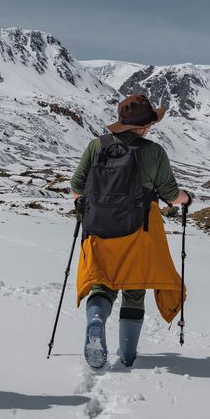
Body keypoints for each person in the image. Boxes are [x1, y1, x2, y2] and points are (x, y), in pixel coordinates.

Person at [71, 94, 191, 370]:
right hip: (138, 232)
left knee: (102, 284)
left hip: (98, 232)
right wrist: (187, 199)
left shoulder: (96, 145)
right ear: (145, 126)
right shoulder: (154, 152)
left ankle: (96, 320)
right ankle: (127, 356)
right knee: (134, 288)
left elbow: (77, 187)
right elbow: (171, 195)